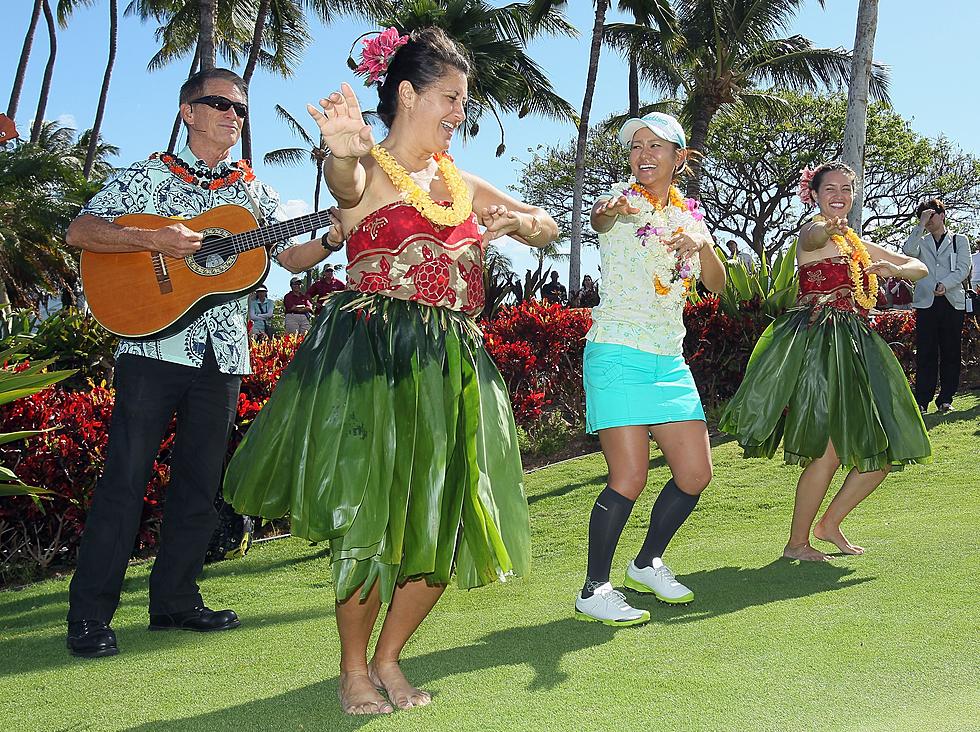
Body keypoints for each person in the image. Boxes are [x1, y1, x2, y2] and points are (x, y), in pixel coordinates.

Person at [222, 27, 558, 715]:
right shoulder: (369, 167)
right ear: (407, 93)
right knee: (372, 520)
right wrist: (341, 157)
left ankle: (388, 657)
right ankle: (352, 670)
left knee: (443, 521)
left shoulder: (461, 181)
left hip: (452, 365)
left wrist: (523, 225)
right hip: (374, 358)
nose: (460, 112)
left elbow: (546, 221)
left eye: (463, 101)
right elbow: (343, 185)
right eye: (450, 97)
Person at [62, 68, 344, 659]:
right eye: (219, 104)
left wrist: (330, 240)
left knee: (198, 485)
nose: (232, 115)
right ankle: (89, 617)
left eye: (240, 108)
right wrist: (154, 240)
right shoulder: (147, 177)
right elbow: (80, 231)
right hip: (151, 350)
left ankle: (174, 601)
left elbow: (287, 255)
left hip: (222, 356)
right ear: (188, 112)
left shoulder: (253, 191)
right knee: (125, 483)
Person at [721, 161, 931, 562]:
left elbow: (919, 268)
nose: (839, 195)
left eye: (846, 189)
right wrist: (827, 228)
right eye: (830, 189)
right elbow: (816, 233)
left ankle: (828, 525)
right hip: (821, 343)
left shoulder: (855, 241)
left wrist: (894, 267)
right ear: (814, 195)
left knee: (881, 454)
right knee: (830, 452)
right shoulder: (812, 233)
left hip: (856, 345)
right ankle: (797, 544)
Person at [574, 112, 726, 627]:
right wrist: (608, 207)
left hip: (669, 360)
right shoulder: (621, 203)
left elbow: (718, 285)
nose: (644, 153)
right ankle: (595, 588)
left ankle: (646, 562)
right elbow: (599, 218)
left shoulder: (690, 218)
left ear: (679, 158)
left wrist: (702, 244)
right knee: (630, 476)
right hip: (617, 352)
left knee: (695, 473)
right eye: (637, 145)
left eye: (656, 145)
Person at [903, 199, 973, 414]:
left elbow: (963, 268)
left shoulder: (959, 240)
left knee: (951, 351)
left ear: (943, 215)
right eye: (924, 216)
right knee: (926, 352)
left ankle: (945, 399)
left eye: (932, 215)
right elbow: (907, 251)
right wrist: (920, 225)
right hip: (926, 303)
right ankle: (922, 400)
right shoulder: (921, 242)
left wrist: (946, 284)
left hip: (952, 302)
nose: (929, 219)